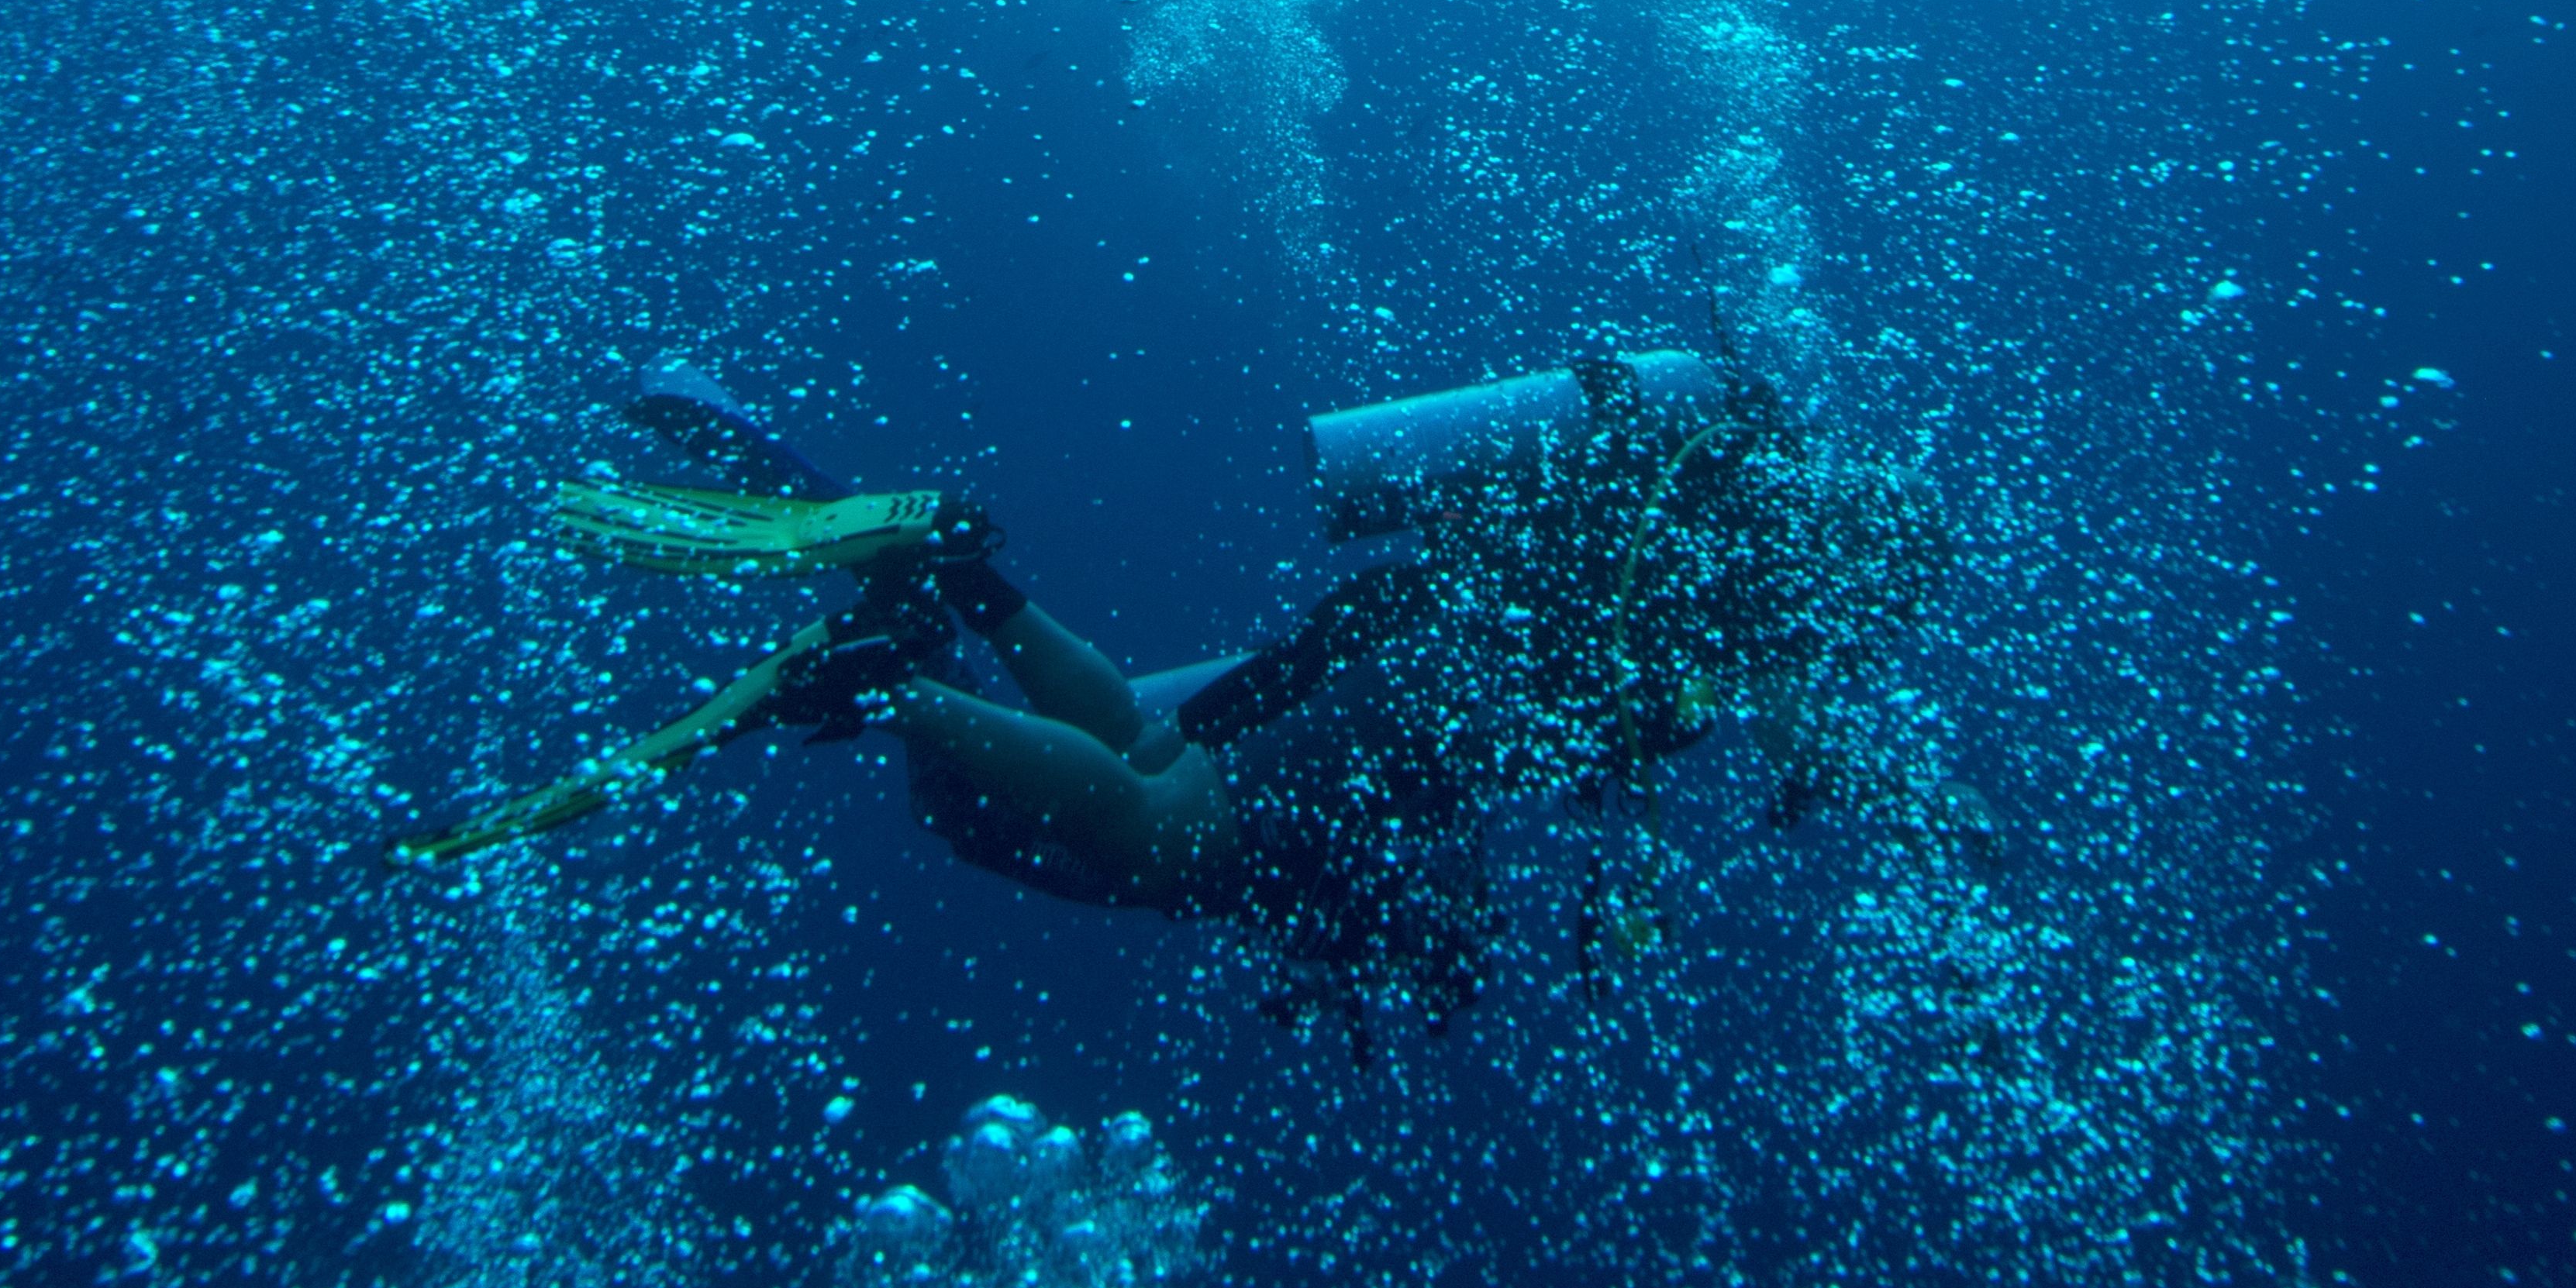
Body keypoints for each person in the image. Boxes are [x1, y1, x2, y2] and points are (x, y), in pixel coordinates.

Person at [512, 356, 1947, 1025]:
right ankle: (890, 686)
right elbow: (1728, 730)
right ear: (1860, 577)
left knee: (1137, 739)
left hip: (1390, 638)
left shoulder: (1690, 512)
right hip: (1438, 712)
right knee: (1149, 831)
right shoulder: (1762, 611)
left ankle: (960, 578)